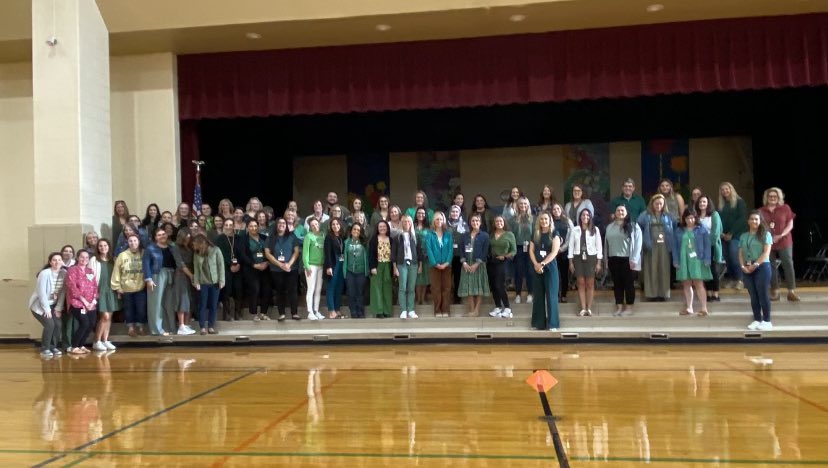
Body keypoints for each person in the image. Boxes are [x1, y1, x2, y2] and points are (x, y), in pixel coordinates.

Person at [759, 187, 799, 302]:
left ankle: (791, 291)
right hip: (767, 242)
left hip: (784, 240)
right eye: (770, 196)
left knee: (788, 264)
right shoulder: (761, 211)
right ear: (766, 198)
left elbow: (790, 225)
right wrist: (768, 237)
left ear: (779, 197)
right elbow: (759, 226)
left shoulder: (785, 208)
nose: (772, 198)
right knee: (770, 266)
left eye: (775, 196)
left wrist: (780, 235)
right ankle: (775, 291)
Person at [604, 205, 642, 316]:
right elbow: (606, 244)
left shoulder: (634, 226)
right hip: (613, 259)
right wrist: (606, 259)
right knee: (617, 284)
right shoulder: (609, 227)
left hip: (628, 260)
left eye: (622, 210)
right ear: (615, 213)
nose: (620, 212)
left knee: (628, 284)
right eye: (618, 210)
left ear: (626, 213)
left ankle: (629, 308)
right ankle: (619, 307)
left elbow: (638, 244)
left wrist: (634, 258)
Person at [672, 209, 712, 316]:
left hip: (698, 259)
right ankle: (689, 307)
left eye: (692, 217)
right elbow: (674, 247)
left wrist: (707, 259)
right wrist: (675, 260)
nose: (690, 220)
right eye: (687, 218)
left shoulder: (701, 230)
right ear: (684, 219)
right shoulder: (679, 231)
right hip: (683, 260)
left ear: (695, 218)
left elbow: (707, 245)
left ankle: (704, 308)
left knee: (699, 283)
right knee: (686, 284)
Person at [739, 211, 773, 331]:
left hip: (762, 266)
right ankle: (757, 319)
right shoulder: (743, 236)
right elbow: (741, 253)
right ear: (748, 221)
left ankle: (767, 320)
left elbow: (766, 253)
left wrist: (756, 264)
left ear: (760, 221)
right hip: (747, 267)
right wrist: (743, 266)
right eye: (752, 219)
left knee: (762, 294)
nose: (754, 221)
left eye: (756, 219)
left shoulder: (766, 234)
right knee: (753, 295)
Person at [638, 194, 674, 301]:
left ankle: (663, 294)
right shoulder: (645, 215)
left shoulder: (668, 216)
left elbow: (674, 227)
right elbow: (638, 227)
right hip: (650, 246)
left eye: (661, 204)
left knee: (664, 269)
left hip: (664, 247)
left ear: (664, 205)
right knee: (651, 270)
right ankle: (652, 294)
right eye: (656, 203)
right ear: (652, 204)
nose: (658, 205)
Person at [29, 252, 66, 358]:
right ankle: (45, 348)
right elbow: (41, 293)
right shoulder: (45, 273)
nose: (57, 262)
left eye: (59, 260)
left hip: (53, 305)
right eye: (54, 260)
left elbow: (63, 292)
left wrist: (58, 308)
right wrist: (47, 310)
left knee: (58, 325)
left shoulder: (64, 273)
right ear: (50, 262)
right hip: (39, 305)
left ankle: (53, 346)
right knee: (50, 324)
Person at [264, 217, 301, 321]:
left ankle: (294, 313)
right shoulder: (271, 238)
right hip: (276, 269)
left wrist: (288, 264)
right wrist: (280, 264)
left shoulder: (292, 236)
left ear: (286, 225)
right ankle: (282, 314)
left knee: (292, 291)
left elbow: (296, 252)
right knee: (280, 291)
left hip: (291, 268)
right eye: (279, 223)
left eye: (283, 223)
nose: (281, 224)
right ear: (276, 225)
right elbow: (267, 253)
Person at [529, 212, 561, 330]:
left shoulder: (554, 233)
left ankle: (553, 324)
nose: (543, 221)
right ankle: (538, 323)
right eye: (541, 219)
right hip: (537, 268)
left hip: (550, 268)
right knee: (538, 296)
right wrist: (536, 264)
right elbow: (531, 251)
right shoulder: (535, 234)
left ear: (550, 220)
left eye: (546, 219)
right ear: (539, 221)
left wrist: (542, 263)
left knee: (551, 296)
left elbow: (554, 252)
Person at [111, 234, 147, 337]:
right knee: (128, 309)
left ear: (139, 241)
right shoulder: (122, 255)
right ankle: (131, 329)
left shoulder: (144, 253)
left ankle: (140, 327)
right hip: (126, 288)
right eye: (130, 241)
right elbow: (116, 271)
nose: (133, 243)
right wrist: (117, 287)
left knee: (141, 309)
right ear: (127, 242)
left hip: (140, 287)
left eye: (135, 240)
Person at [568, 208, 602, 316]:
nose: (585, 217)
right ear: (580, 217)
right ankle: (583, 308)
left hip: (591, 257)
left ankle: (589, 308)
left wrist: (599, 263)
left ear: (590, 217)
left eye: (587, 215)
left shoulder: (595, 229)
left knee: (590, 283)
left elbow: (599, 246)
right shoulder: (575, 230)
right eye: (583, 215)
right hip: (578, 257)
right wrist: (571, 262)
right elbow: (571, 246)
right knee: (581, 283)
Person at [65, 250, 99, 354]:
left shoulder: (90, 271)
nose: (84, 259)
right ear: (77, 258)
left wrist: (93, 301)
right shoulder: (72, 270)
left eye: (86, 258)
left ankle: (81, 345)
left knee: (92, 323)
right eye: (82, 257)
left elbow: (94, 287)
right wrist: (85, 302)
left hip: (90, 304)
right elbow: (72, 287)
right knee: (84, 323)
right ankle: (74, 346)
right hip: (77, 303)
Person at [192, 234, 225, 335]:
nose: (194, 246)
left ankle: (211, 326)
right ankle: (202, 327)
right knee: (202, 305)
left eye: (195, 244)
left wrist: (222, 280)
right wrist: (196, 281)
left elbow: (221, 266)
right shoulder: (196, 253)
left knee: (213, 305)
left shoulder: (216, 250)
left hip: (215, 282)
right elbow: (196, 269)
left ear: (201, 243)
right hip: (203, 283)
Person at [458, 214, 490, 317]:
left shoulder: (485, 235)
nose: (475, 223)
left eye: (477, 221)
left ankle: (477, 310)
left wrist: (477, 263)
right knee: (469, 287)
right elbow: (461, 250)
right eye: (473, 221)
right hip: (467, 265)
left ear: (480, 222)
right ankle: (471, 310)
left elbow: (485, 251)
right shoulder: (464, 235)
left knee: (479, 286)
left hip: (479, 265)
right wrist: (464, 262)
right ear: (470, 222)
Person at [92, 239, 121, 351]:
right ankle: (97, 341)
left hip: (111, 290)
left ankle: (105, 340)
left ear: (109, 247)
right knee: (104, 316)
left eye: (105, 245)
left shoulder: (113, 260)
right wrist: (93, 292)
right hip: (100, 290)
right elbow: (90, 276)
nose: (103, 247)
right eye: (100, 246)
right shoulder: (94, 260)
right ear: (97, 248)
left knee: (110, 317)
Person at [719, 182, 747, 290]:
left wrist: (731, 233)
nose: (725, 191)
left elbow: (742, 219)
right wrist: (721, 233)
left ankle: (740, 280)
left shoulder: (739, 202)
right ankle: (732, 279)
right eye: (722, 189)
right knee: (728, 259)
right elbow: (719, 220)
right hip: (724, 236)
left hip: (736, 235)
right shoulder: (722, 205)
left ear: (731, 189)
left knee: (735, 257)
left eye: (727, 189)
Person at [392, 215, 422, 319]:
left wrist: (420, 265)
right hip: (401, 264)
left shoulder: (415, 236)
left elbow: (419, 252)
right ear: (401, 223)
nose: (406, 223)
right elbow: (394, 254)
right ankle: (403, 310)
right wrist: (394, 267)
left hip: (413, 264)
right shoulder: (397, 237)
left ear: (411, 223)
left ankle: (411, 310)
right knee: (402, 288)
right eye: (404, 222)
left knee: (411, 288)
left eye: (408, 222)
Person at [695, 195, 724, 302]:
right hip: (700, 248)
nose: (702, 204)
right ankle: (708, 293)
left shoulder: (714, 215)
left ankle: (715, 293)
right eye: (700, 202)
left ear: (708, 203)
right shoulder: (696, 216)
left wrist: (708, 245)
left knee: (713, 270)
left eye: (704, 202)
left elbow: (716, 232)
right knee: (704, 270)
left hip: (711, 246)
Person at [487, 216, 516, 318]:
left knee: (500, 285)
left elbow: (514, 251)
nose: (499, 222)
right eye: (496, 221)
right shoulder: (491, 235)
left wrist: (505, 256)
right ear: (494, 223)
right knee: (493, 285)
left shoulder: (509, 234)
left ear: (504, 222)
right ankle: (498, 307)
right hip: (491, 262)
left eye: (501, 221)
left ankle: (507, 308)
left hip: (503, 262)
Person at [425, 212, 453, 318]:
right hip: (434, 266)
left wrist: (446, 263)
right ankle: (437, 310)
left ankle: (445, 310)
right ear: (433, 221)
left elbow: (451, 250)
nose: (439, 221)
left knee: (446, 288)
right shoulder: (429, 234)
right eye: (437, 219)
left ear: (444, 220)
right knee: (436, 288)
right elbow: (429, 250)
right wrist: (435, 263)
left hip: (447, 265)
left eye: (441, 219)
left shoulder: (448, 234)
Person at [368, 220, 394, 318]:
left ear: (387, 228)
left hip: (387, 265)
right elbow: (371, 254)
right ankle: (379, 311)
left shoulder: (390, 239)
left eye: (384, 226)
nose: (382, 228)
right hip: (377, 265)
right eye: (380, 227)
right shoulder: (374, 239)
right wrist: (372, 267)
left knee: (387, 288)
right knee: (376, 288)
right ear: (377, 229)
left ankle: (387, 311)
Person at [344, 223, 369, 318]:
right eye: (354, 229)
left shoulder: (364, 242)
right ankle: (353, 311)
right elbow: (344, 257)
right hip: (350, 271)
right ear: (351, 231)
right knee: (351, 292)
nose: (356, 231)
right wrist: (344, 272)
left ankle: (360, 311)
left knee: (360, 292)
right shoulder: (346, 242)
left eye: (358, 230)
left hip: (361, 271)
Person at [302, 218, 326, 320]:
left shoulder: (323, 235)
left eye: (316, 224)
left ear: (319, 224)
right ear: (310, 227)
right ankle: (310, 311)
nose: (315, 226)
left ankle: (316, 310)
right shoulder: (308, 236)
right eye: (312, 225)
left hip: (321, 265)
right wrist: (307, 266)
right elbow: (305, 253)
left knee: (318, 289)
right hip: (311, 266)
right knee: (311, 288)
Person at [324, 218, 346, 319]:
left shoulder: (342, 237)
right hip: (333, 264)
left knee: (339, 287)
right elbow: (327, 252)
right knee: (331, 287)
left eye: (337, 224)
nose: (335, 226)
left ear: (340, 225)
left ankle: (337, 309)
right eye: (333, 224)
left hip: (341, 263)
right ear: (330, 226)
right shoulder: (329, 237)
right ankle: (331, 310)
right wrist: (329, 267)